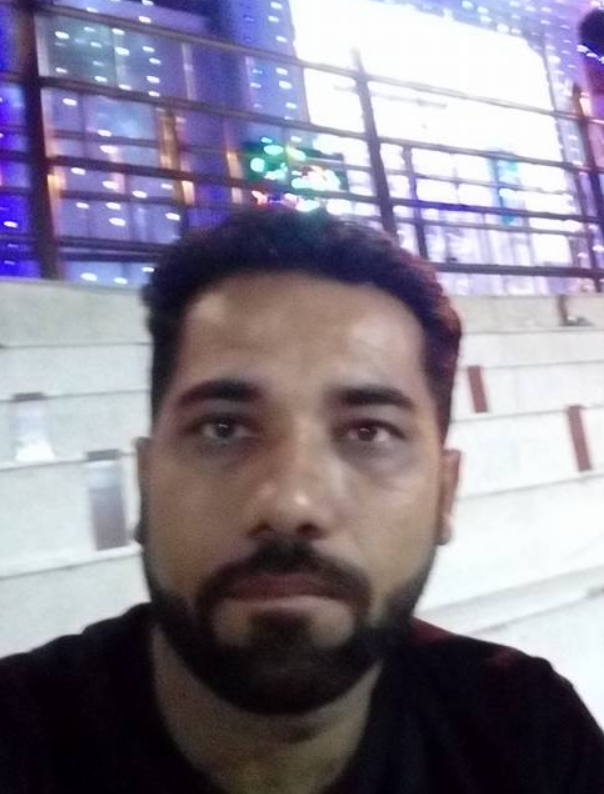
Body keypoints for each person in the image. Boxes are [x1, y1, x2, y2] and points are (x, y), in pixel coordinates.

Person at [0, 207, 603, 793]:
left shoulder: (527, 734)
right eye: (223, 428)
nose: (290, 504)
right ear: (145, 480)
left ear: (445, 494)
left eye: (368, 432)